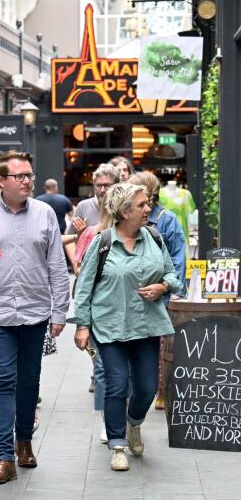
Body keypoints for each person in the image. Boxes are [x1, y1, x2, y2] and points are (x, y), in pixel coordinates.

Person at [72, 183, 180, 471]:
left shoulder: (154, 237)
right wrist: (82, 325)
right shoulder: (103, 242)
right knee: (117, 382)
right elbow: (83, 287)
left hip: (146, 325)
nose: (148, 209)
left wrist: (163, 285)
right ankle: (117, 443)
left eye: (148, 203)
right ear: (124, 211)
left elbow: (172, 273)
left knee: (146, 387)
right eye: (143, 205)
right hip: (110, 325)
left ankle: (134, 424)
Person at [0, 150, 70, 485]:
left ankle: (24, 443)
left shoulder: (44, 213)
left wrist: (60, 311)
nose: (28, 181)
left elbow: (58, 266)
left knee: (29, 383)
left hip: (35, 312)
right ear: (1, 181)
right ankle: (4, 457)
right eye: (20, 176)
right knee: (1, 381)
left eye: (30, 175)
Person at [129, 172, 187, 410]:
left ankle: (156, 393)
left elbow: (177, 257)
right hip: (128, 300)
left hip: (158, 299)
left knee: (157, 350)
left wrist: (172, 290)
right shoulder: (123, 218)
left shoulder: (166, 219)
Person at [73, 199, 115, 443]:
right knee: (100, 368)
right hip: (98, 312)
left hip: (127, 314)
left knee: (127, 373)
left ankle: (127, 418)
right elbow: (78, 269)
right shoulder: (91, 233)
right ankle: (108, 421)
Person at [64, 163, 120, 267]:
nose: (102, 190)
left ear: (116, 185)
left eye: (107, 185)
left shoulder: (122, 208)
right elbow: (69, 239)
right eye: (98, 185)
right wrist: (76, 267)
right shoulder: (83, 206)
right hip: (88, 268)